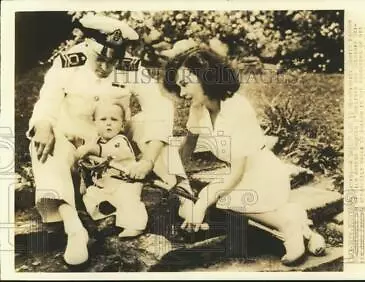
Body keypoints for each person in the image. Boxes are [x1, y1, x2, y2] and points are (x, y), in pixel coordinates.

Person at [27, 14, 192, 266]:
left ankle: (184, 196)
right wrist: (43, 124)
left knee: (151, 123)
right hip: (75, 144)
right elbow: (47, 99)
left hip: (115, 142)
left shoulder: (129, 65)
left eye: (112, 60)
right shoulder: (69, 62)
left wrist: (147, 159)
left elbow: (158, 107)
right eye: (101, 59)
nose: (106, 66)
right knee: (43, 145)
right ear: (88, 45)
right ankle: (74, 228)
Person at [163, 48, 326, 265]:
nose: (181, 93)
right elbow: (187, 148)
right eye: (178, 86)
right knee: (206, 206)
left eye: (185, 84)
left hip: (264, 176)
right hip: (241, 178)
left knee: (218, 201)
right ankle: (303, 228)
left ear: (205, 76)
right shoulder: (198, 108)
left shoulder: (235, 107)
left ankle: (287, 227)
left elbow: (238, 171)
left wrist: (201, 202)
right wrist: (176, 179)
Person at [76, 101, 147, 238]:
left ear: (122, 125)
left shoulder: (120, 140)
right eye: (103, 119)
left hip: (125, 182)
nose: (108, 123)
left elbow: (105, 151)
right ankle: (109, 212)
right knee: (90, 194)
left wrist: (87, 149)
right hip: (105, 186)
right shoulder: (95, 141)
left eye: (114, 120)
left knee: (128, 198)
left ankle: (135, 225)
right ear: (95, 123)